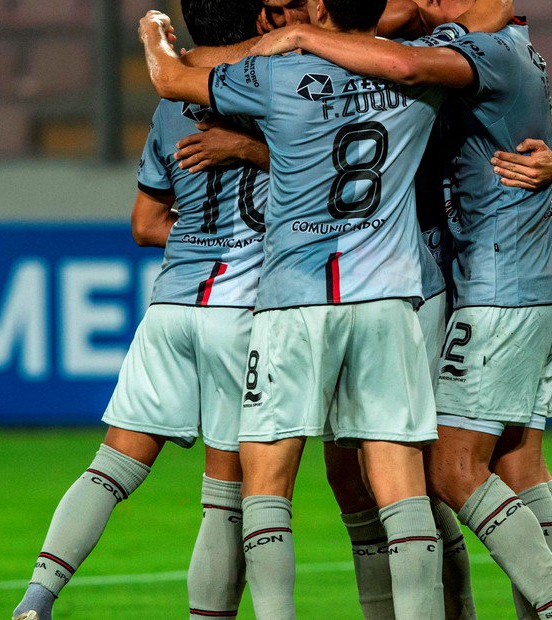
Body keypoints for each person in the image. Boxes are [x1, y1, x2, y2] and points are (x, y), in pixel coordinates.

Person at [250, 2, 552, 618]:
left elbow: (397, 66)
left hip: (459, 282)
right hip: (492, 276)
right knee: (514, 468)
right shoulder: (487, 42)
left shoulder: (454, 48)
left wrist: (298, 38)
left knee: (442, 471)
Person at [139, 1, 457, 616]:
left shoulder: (276, 76)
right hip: (387, 298)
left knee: (266, 485)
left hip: (294, 300)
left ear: (316, 8)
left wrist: (153, 32)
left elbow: (172, 78)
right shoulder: (419, 73)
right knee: (402, 490)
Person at [10, 3, 268, 619]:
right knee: (226, 496)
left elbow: (146, 224)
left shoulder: (171, 105)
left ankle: (35, 600)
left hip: (172, 304)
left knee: (110, 468)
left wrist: (202, 238)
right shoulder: (280, 89)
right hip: (240, 308)